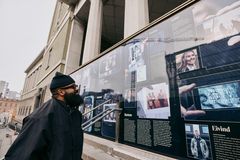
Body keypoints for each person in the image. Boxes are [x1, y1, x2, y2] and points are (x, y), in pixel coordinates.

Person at [5, 72, 84, 160]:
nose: (77, 89)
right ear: (61, 91)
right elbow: (22, 154)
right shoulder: (41, 117)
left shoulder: (75, 114)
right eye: (73, 87)